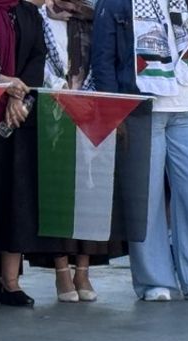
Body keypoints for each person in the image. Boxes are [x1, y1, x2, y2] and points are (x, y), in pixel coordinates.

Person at [90, 0, 188, 302]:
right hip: (141, 107)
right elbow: (102, 59)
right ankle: (154, 280)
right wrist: (114, 111)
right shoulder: (114, 3)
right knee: (147, 196)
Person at [30, 0, 123, 303]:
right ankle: (60, 272)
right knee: (57, 190)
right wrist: (61, 91)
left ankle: (83, 270)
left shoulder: (94, 17)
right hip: (52, 108)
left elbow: (103, 57)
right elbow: (37, 57)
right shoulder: (42, 16)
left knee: (90, 189)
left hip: (92, 107)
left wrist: (87, 96)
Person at [0, 0, 45, 307]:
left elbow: (35, 59)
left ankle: (11, 282)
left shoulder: (27, 12)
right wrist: (5, 88)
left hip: (19, 118)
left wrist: (19, 100)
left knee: (18, 198)